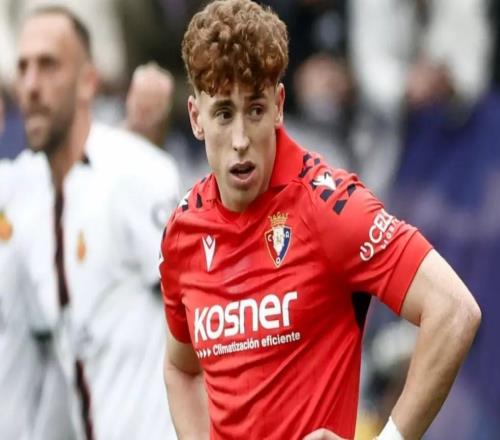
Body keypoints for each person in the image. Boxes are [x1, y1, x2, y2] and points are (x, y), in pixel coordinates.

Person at [159, 1, 481, 439]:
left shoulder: (330, 206)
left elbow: (454, 310)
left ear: (279, 105)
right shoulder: (184, 232)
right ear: (196, 118)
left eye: (255, 110)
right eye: (223, 114)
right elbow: (181, 369)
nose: (240, 140)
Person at [1, 5, 179, 439]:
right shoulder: (24, 194)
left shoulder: (137, 173)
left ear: (88, 81)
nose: (31, 85)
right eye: (23, 68)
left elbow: (207, 310)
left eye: (48, 65)